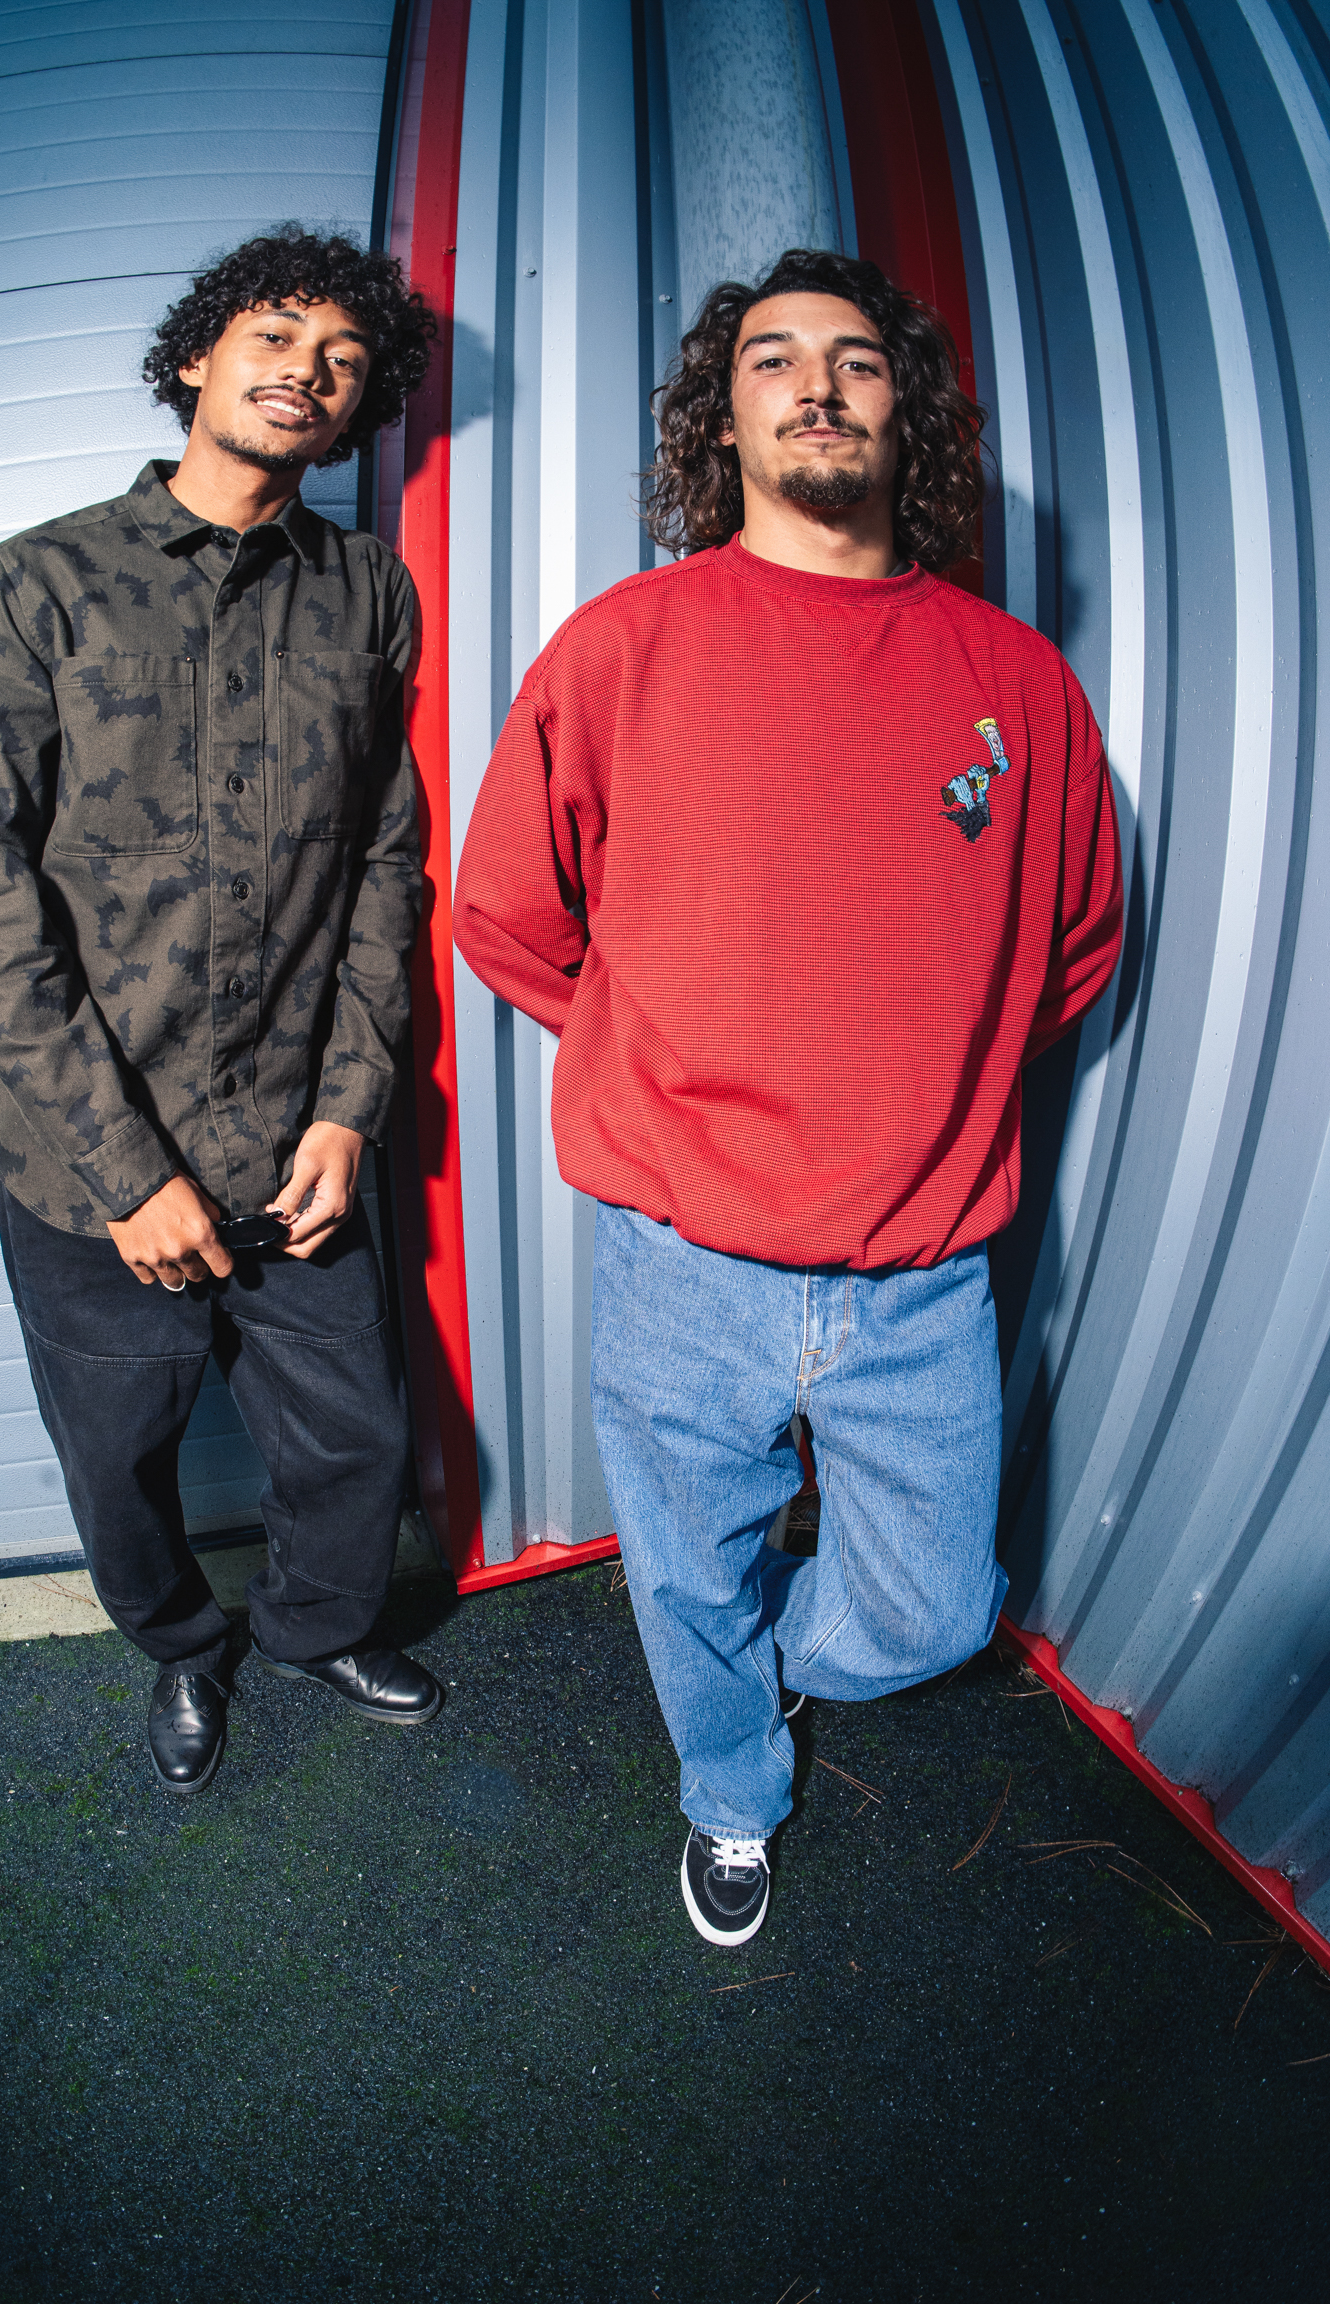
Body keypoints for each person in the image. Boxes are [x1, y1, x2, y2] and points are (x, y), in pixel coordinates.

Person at [453, 249, 1124, 1946]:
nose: (817, 381)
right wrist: (661, 1052)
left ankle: (773, 1670)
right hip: (685, 1264)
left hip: (922, 1285)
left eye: (858, 361)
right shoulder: (626, 648)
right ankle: (731, 1790)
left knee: (929, 1611)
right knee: (683, 1572)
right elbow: (511, 917)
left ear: (909, 420)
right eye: (774, 360)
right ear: (726, 418)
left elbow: (1073, 955)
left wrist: (914, 1080)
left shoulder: (1019, 684)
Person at [0, 227, 443, 1795]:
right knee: (122, 1463)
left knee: (354, 1435)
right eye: (275, 333)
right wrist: (120, 1171)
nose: (309, 367)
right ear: (193, 363)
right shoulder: (43, 580)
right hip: (90, 1172)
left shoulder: (368, 591)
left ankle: (315, 1627)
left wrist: (353, 1107)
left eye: (345, 359)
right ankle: (181, 1653)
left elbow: (385, 858)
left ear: (359, 413)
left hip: (297, 1146)